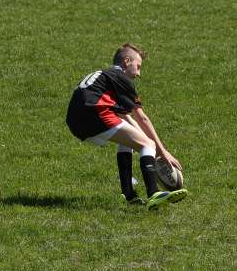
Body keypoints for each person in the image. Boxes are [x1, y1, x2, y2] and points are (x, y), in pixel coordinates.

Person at [65, 44, 186, 210]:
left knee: (133, 140)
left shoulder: (106, 77)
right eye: (138, 66)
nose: (138, 74)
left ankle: (129, 195)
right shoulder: (121, 78)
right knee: (147, 144)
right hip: (94, 113)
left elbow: (127, 119)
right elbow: (142, 118)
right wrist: (162, 151)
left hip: (75, 121)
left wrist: (151, 147)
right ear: (127, 61)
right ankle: (154, 194)